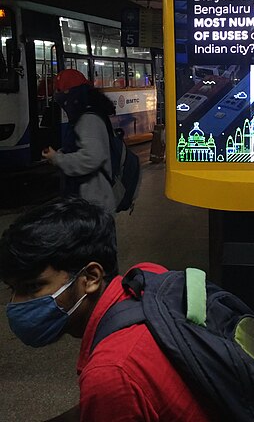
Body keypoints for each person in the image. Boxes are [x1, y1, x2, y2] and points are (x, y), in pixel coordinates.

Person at [0, 198, 212, 422]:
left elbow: (111, 388)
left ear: (91, 278)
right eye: (12, 289)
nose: (17, 303)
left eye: (33, 287)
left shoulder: (111, 373)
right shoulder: (146, 279)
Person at [42, 69, 116, 214]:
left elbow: (92, 158)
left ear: (71, 94)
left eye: (61, 92)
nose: (59, 99)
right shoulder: (87, 114)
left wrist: (57, 158)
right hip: (88, 202)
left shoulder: (88, 119)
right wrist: (60, 154)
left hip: (93, 205)